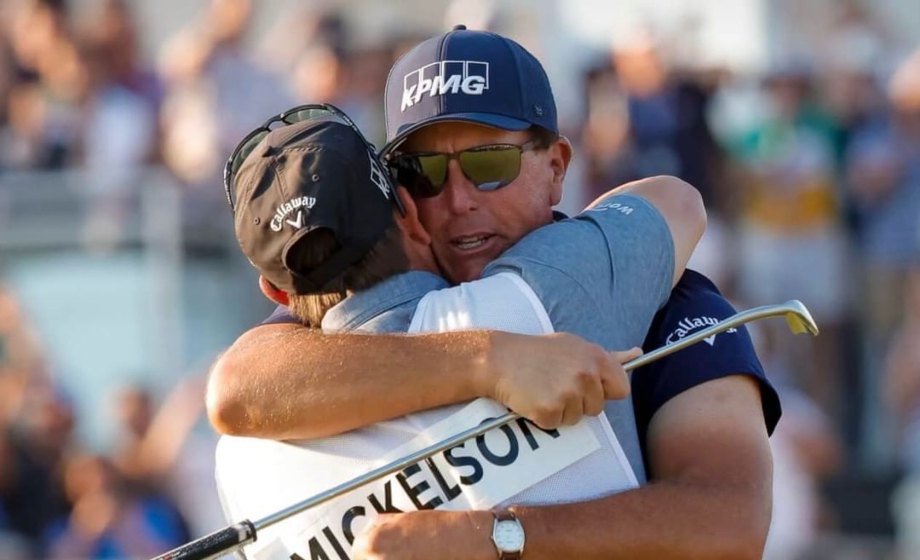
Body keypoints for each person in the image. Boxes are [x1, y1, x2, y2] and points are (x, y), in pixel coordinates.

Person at [208, 27, 781, 560]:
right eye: (423, 172)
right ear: (399, 201)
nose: (458, 200)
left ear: (556, 167)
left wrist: (494, 536)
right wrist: (490, 358)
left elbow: (729, 519)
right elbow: (236, 387)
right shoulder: (327, 333)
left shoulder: (660, 289)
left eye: (490, 164)